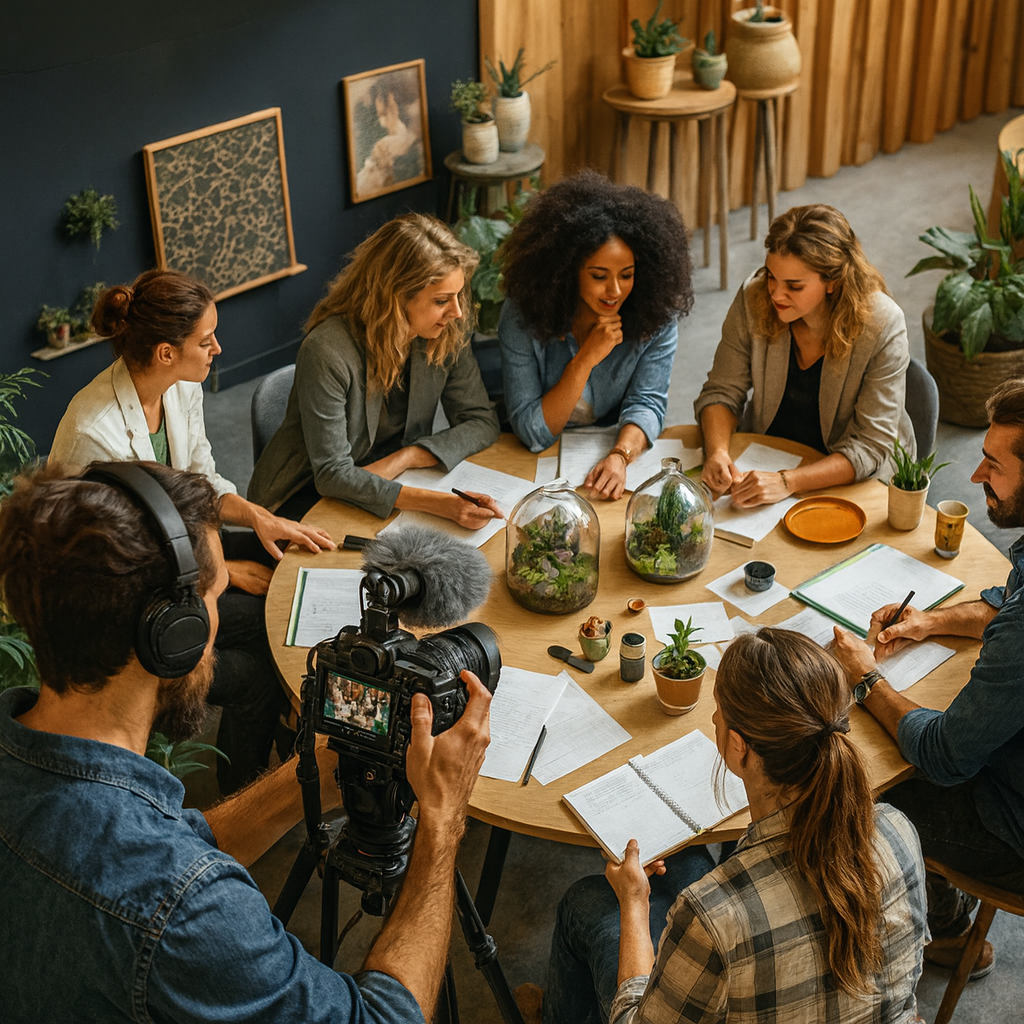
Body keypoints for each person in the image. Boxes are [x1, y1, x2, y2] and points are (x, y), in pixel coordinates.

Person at [0, 460, 492, 1024]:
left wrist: (323, 764)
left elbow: (154, 843)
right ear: (172, 636)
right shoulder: (189, 907)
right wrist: (442, 820)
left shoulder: (43, 774)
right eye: (214, 595)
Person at [539, 628, 926, 1024]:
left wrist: (634, 902)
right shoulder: (897, 830)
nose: (712, 717)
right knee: (686, 865)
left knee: (584, 902)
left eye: (717, 711)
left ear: (739, 746)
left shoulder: (713, 914)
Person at [50, 269, 335, 793]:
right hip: (126, 621)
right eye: (205, 340)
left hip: (178, 577)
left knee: (277, 628)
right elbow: (123, 568)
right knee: (254, 675)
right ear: (164, 352)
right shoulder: (96, 435)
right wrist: (220, 574)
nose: (217, 348)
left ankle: (258, 777)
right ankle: (242, 802)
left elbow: (200, 476)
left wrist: (254, 515)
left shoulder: (179, 388)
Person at [832, 377, 1024, 980]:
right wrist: (927, 623)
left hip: (1012, 828)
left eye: (992, 463)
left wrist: (865, 680)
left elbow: (944, 755)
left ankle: (911, 948)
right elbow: (1002, 602)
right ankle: (947, 925)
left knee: (851, 788)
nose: (974, 477)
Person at [248, 213, 501, 525]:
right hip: (306, 497)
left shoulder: (447, 328)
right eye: (441, 300)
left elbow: (480, 421)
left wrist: (405, 458)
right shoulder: (327, 351)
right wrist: (438, 503)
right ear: (395, 296)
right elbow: (331, 475)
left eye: (458, 295)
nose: (457, 311)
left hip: (393, 478)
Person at [695, 204, 914, 507]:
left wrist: (787, 482)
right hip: (767, 456)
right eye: (771, 276)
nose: (775, 294)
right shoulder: (754, 296)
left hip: (848, 472)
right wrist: (718, 451)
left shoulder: (883, 323)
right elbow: (721, 391)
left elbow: (871, 446)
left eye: (794, 286)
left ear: (833, 282)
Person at [498, 169, 693, 500]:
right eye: (599, 275)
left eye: (627, 275)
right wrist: (586, 358)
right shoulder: (522, 317)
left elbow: (647, 403)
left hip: (609, 451)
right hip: (533, 464)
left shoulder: (656, 317)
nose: (615, 290)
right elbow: (533, 432)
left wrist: (621, 455)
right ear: (567, 270)